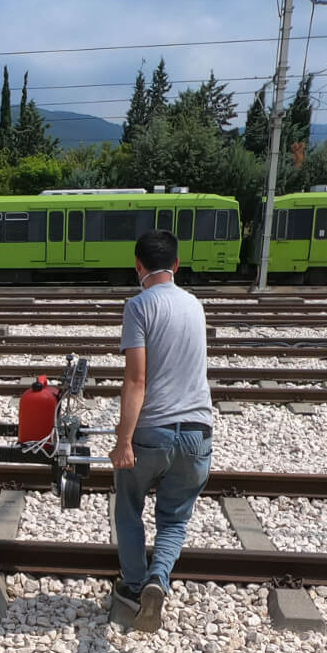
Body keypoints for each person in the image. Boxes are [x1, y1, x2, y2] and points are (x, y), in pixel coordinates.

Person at [109, 229, 213, 632]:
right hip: (197, 431)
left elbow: (136, 381)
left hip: (152, 431)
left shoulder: (138, 307)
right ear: (176, 265)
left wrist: (123, 441)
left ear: (138, 266)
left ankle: (134, 587)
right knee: (174, 519)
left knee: (129, 508)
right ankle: (159, 578)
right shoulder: (196, 306)